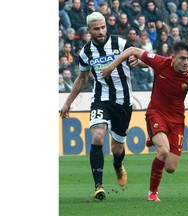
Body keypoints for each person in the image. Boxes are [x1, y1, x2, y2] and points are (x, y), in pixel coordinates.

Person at [101, 41, 188, 202]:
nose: (186, 62)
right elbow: (133, 49)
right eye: (182, 58)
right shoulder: (160, 62)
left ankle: (154, 138)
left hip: (177, 121)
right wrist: (111, 67)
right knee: (163, 152)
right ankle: (152, 193)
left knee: (170, 168)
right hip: (156, 114)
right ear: (173, 57)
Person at [59, 12, 142, 201]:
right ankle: (98, 186)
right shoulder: (85, 53)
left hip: (123, 102)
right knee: (97, 136)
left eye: (103, 27)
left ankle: (118, 165)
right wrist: (67, 103)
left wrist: (140, 62)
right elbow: (82, 79)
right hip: (101, 99)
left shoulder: (120, 44)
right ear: (89, 30)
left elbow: (142, 59)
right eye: (96, 29)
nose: (101, 31)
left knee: (117, 148)